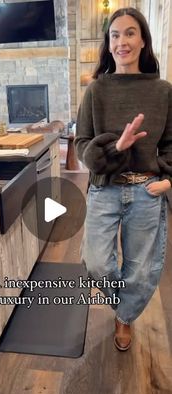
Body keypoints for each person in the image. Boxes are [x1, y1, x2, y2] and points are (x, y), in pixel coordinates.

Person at [74, 7, 172, 351]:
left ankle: (123, 317)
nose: (121, 42)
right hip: (105, 189)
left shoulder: (163, 92)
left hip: (148, 189)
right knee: (97, 263)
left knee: (141, 269)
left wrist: (168, 182)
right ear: (108, 43)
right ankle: (126, 305)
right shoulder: (97, 90)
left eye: (129, 33)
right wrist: (116, 146)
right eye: (114, 35)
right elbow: (82, 145)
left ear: (143, 40)